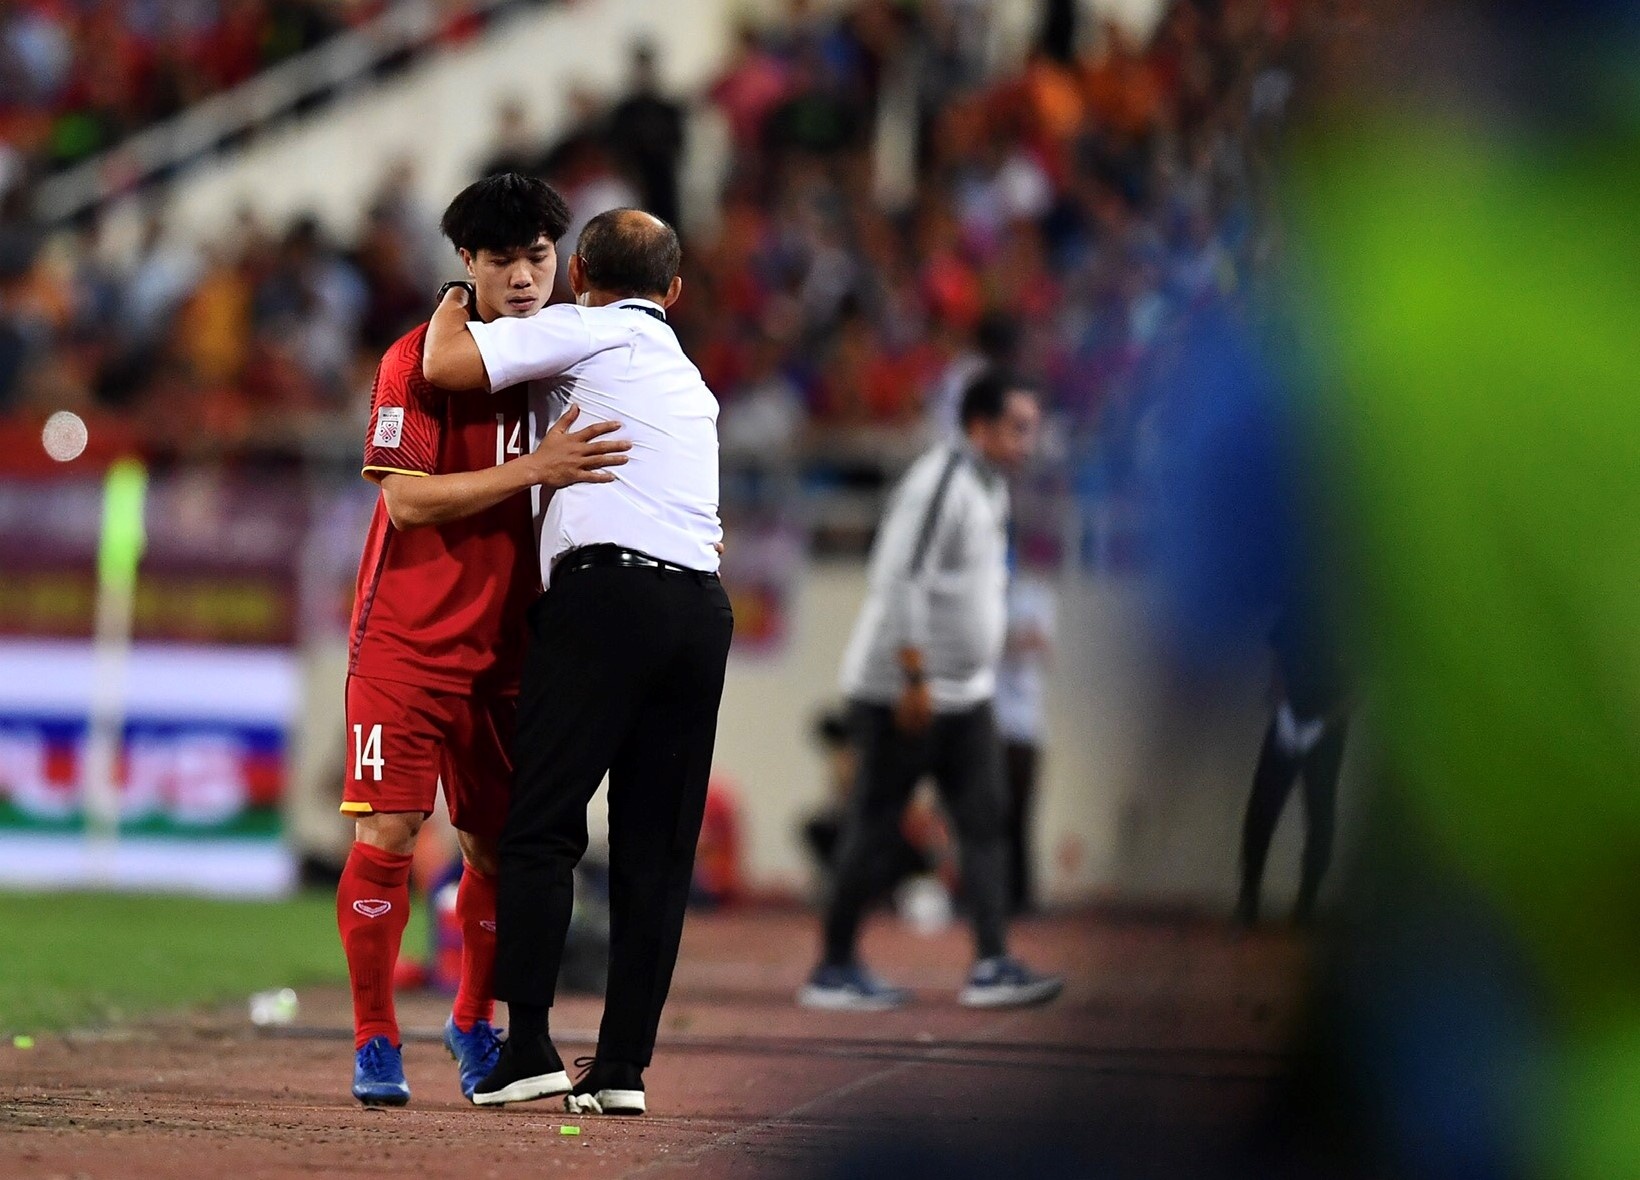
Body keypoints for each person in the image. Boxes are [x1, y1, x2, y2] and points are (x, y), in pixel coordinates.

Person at [422, 208, 733, 1117]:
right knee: (657, 848)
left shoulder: (583, 327)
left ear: (581, 271)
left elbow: (445, 363)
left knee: (543, 824)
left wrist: (457, 288)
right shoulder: (694, 378)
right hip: (701, 605)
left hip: (604, 597)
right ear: (674, 293)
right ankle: (624, 1070)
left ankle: (527, 1048)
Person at [337, 173, 632, 1107]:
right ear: (466, 265)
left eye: (537, 257)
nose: (522, 276)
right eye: (501, 260)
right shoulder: (414, 363)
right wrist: (538, 469)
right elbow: (406, 499)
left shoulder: (567, 357)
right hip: (408, 639)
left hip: (513, 644)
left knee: (502, 845)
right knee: (389, 833)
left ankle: (473, 1022)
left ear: (561, 261)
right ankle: (376, 1036)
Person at [798, 371, 1064, 1011]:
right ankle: (832, 968)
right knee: (874, 823)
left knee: (985, 821)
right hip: (905, 692)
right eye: (1018, 428)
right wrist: (914, 675)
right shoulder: (939, 483)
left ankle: (993, 963)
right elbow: (897, 577)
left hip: (965, 693)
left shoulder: (989, 486)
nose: (1030, 442)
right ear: (978, 427)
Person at [1235, 606, 1350, 926]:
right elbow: (1277, 661)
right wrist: (1283, 711)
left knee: (1320, 818)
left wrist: (1323, 726)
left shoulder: (1356, 621)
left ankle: (1306, 908)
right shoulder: (1302, 607)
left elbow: (1359, 687)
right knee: (1261, 813)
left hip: (1326, 734)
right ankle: (1248, 900)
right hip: (1286, 722)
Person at [995, 573, 1055, 915]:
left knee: (1021, 815)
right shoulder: (989, 592)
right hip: (993, 725)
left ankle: (1021, 895)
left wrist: (1014, 640)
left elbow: (1042, 647)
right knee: (991, 816)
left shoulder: (1040, 594)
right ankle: (990, 894)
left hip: (1027, 729)